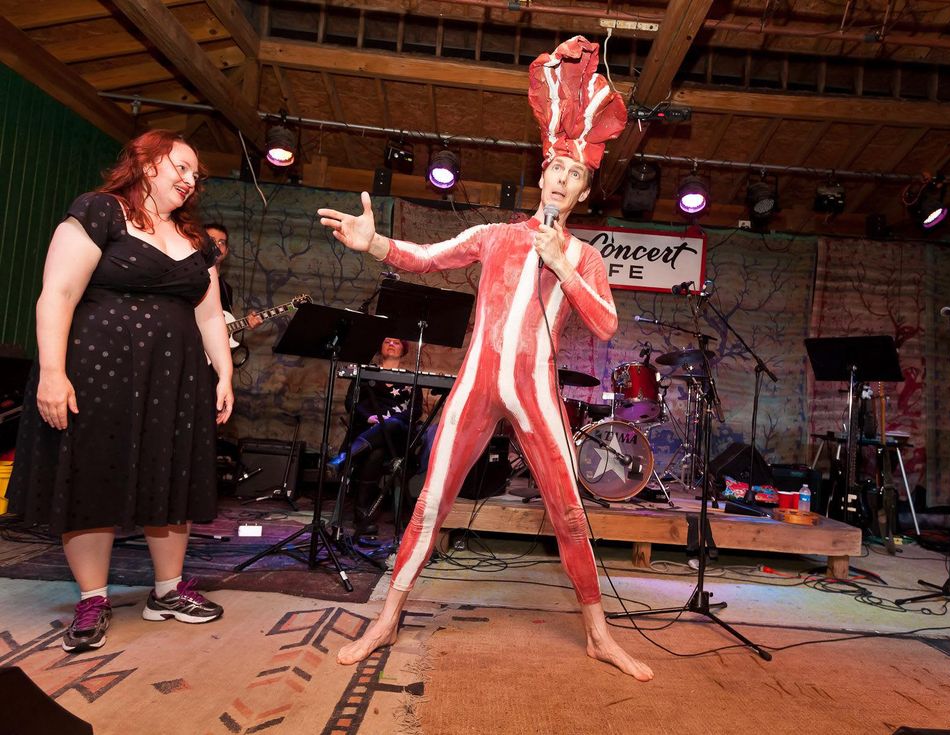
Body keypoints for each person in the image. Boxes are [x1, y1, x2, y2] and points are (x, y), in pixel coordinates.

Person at [318, 37, 653, 681]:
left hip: (535, 393)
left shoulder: (584, 257)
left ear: (582, 191)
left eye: (574, 174)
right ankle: (386, 618)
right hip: (474, 387)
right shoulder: (495, 236)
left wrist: (563, 265)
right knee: (431, 498)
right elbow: (425, 257)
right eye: (556, 167)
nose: (561, 178)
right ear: (543, 173)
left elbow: (606, 325)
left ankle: (599, 633)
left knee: (570, 513)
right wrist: (374, 243)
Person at [7, 129, 233, 653]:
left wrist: (223, 373)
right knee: (93, 476)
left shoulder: (197, 241)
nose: (189, 179)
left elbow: (208, 314)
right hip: (98, 370)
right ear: (147, 161)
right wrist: (51, 371)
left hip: (175, 380)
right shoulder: (100, 212)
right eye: (181, 165)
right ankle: (92, 598)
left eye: (195, 174)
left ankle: (170, 592)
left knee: (171, 476)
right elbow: (57, 294)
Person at [328, 337, 419, 539]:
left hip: (396, 436)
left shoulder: (412, 378)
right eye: (387, 341)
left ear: (404, 349)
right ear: (380, 346)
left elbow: (416, 410)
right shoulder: (365, 372)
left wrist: (388, 420)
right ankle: (362, 513)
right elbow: (351, 402)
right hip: (367, 431)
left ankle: (345, 457)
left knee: (393, 424)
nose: (391, 344)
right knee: (376, 453)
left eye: (397, 342)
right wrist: (368, 418)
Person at [203, 222, 261, 328]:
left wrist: (246, 324)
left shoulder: (227, 289)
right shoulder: (192, 280)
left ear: (226, 252)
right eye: (211, 240)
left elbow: (222, 328)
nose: (217, 245)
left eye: (222, 242)